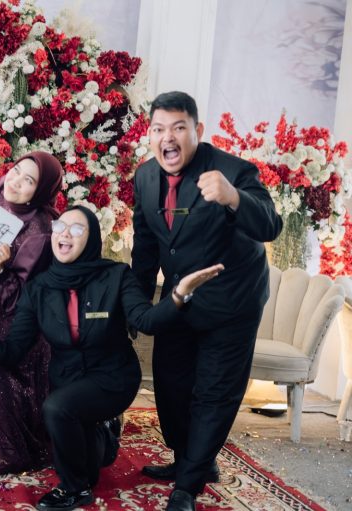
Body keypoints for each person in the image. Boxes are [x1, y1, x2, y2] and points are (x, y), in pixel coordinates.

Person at [0, 205, 224, 511]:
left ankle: (74, 490)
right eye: (59, 227)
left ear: (92, 239)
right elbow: (13, 351)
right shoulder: (38, 289)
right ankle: (103, 435)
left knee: (57, 409)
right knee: (86, 461)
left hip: (113, 377)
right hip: (68, 380)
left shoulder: (116, 275)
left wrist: (179, 295)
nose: (64, 234)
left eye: (76, 229)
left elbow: (146, 321)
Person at [131, 91, 282, 511]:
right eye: (159, 129)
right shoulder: (145, 177)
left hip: (232, 302)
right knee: (171, 385)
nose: (168, 137)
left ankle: (188, 485)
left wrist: (234, 198)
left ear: (197, 130)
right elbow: (145, 249)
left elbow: (271, 225)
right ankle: (189, 459)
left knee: (215, 392)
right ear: (150, 134)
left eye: (179, 127)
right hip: (180, 299)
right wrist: (136, 309)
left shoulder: (233, 171)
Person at [0, 151, 63, 474]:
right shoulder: (2, 195)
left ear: (40, 191)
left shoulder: (39, 232)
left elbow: (20, 301)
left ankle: (15, 447)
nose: (14, 182)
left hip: (20, 315)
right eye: (15, 171)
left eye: (28, 181)